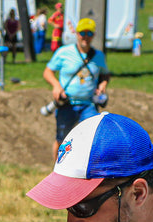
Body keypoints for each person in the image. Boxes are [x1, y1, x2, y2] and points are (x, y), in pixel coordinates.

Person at [43, 17, 109, 154]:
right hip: (67, 104)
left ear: (94, 35)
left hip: (89, 105)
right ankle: (57, 172)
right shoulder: (64, 52)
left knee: (92, 140)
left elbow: (105, 74)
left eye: (89, 33)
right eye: (82, 33)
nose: (85, 37)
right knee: (62, 140)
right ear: (76, 34)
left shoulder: (99, 56)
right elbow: (48, 72)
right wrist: (56, 86)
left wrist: (103, 84)